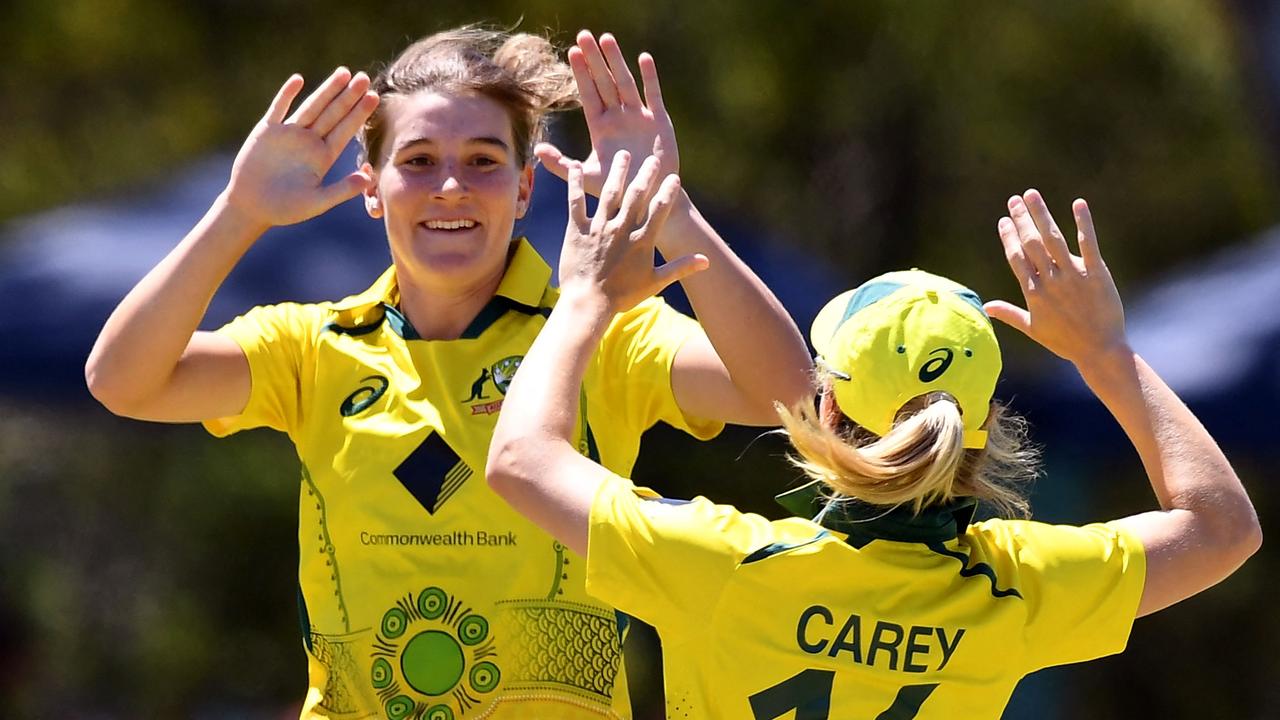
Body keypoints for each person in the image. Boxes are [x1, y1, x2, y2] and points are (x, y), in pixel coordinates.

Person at [84, 27, 812, 720]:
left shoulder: (598, 329)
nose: (452, 187)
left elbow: (788, 394)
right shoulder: (314, 344)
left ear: (526, 189)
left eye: (485, 161)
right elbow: (123, 380)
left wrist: (668, 204)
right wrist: (237, 213)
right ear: (371, 187)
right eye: (420, 160)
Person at [486, 173, 1262, 718]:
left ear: (824, 403)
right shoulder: (1018, 588)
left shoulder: (718, 562)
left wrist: (587, 298)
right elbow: (1224, 528)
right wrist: (1107, 354)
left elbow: (520, 457)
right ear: (982, 424)